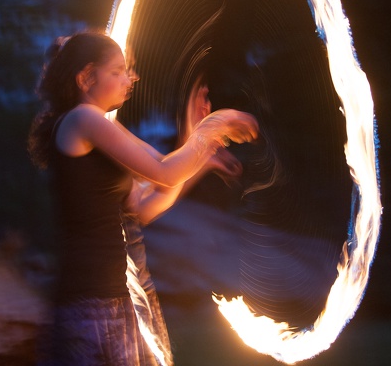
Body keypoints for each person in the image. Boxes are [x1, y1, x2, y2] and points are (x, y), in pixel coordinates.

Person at [28, 30, 258, 365]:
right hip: (93, 305)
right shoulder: (83, 119)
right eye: (117, 71)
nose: (129, 78)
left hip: (120, 299)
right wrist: (215, 124)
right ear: (85, 78)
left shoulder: (100, 126)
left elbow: (146, 204)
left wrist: (199, 146)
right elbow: (165, 171)